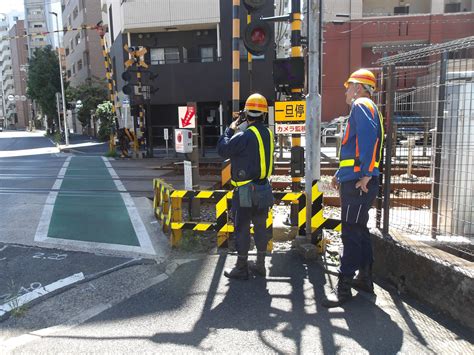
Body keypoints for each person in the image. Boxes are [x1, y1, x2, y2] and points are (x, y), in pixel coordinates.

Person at [323, 69, 384, 308]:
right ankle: (365, 279)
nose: (346, 90)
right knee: (359, 230)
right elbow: (357, 149)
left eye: (349, 86)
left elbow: (370, 140)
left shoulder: (360, 105)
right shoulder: (369, 107)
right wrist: (341, 173)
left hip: (359, 182)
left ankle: (344, 288)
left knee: (349, 231)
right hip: (357, 179)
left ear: (358, 87)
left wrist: (367, 174)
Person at [217, 93, 275, 280]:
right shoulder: (268, 134)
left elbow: (223, 149)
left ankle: (241, 268)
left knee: (241, 228)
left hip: (245, 191)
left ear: (246, 115)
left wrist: (230, 128)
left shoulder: (244, 135)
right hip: (264, 188)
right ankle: (260, 265)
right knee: (260, 228)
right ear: (264, 115)